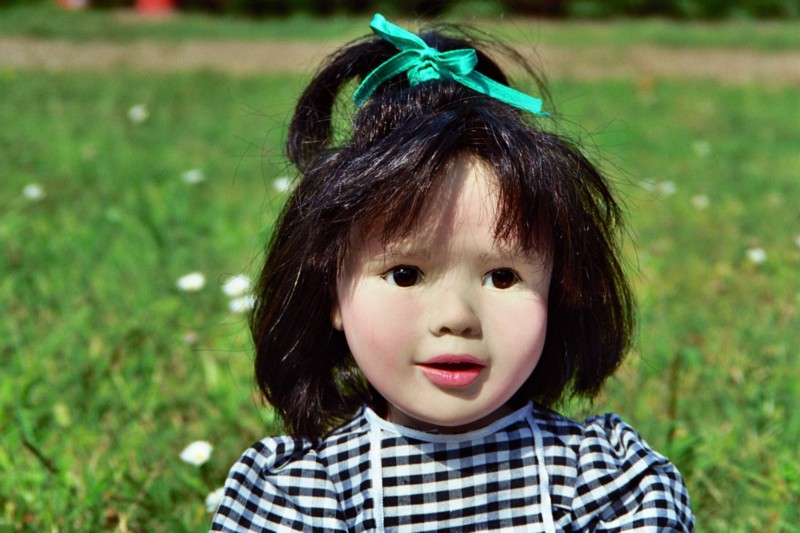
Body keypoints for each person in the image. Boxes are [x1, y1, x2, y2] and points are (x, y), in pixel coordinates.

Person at [211, 13, 693, 532]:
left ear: (559, 289)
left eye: (503, 277)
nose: (456, 316)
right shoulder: (305, 493)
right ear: (330, 293)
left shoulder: (600, 481)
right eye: (404, 274)